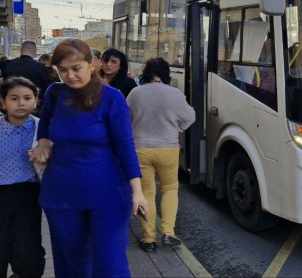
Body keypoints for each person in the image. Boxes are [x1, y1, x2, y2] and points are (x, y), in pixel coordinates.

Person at [28, 39, 148, 278]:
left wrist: (138, 190)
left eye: (76, 68)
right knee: (70, 263)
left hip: (108, 194)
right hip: (61, 194)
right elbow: (45, 128)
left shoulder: (112, 98)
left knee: (109, 263)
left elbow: (125, 146)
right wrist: (43, 145)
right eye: (62, 70)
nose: (69, 76)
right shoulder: (54, 94)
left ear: (92, 64)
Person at [127, 58, 195, 252]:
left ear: (146, 73)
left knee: (146, 193)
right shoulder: (174, 93)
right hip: (168, 148)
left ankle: (149, 239)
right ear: (166, 74)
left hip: (140, 148)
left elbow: (125, 117)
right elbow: (190, 117)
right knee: (170, 188)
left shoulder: (135, 93)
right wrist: (177, 127)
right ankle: (168, 233)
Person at [0, 77, 46, 278]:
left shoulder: (42, 129)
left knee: (28, 252)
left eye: (27, 98)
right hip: (1, 194)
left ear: (36, 101)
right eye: (14, 98)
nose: (21, 103)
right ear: (3, 102)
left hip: (28, 196)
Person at [1, 41, 52, 110]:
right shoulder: (40, 67)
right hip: (34, 107)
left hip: (12, 107)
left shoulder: (8, 65)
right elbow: (47, 89)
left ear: (21, 51)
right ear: (35, 52)